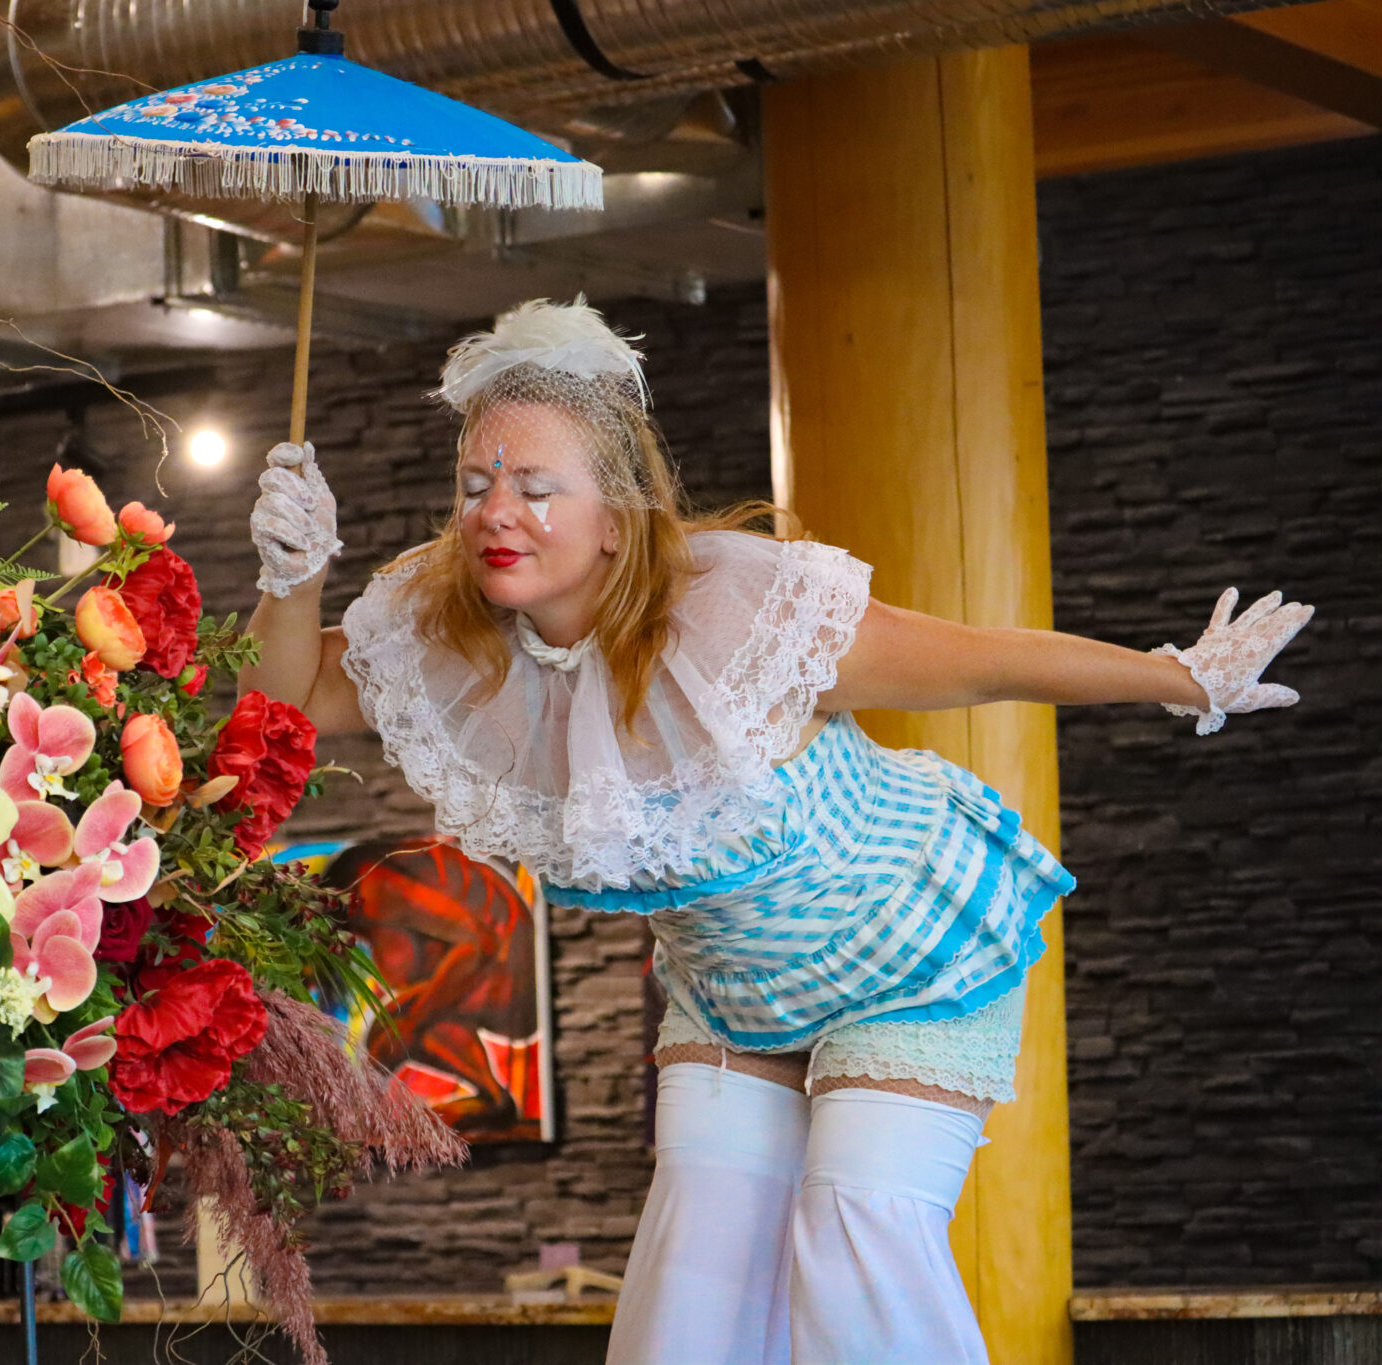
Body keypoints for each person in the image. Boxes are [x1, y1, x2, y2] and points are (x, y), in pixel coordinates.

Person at [237, 298, 1311, 1365]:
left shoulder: (734, 616)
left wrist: (1172, 678)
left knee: (854, 1226)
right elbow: (279, 700)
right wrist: (291, 583)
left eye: (533, 487)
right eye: (474, 487)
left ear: (615, 511)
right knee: (689, 1288)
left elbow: (977, 656)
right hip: (729, 994)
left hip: (910, 956)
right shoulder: (451, 640)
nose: (493, 512)